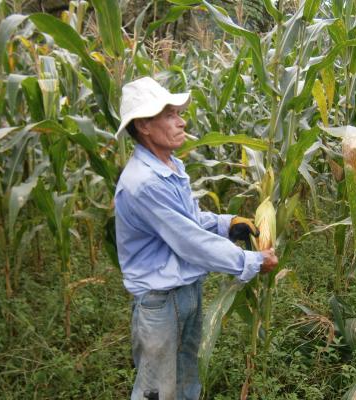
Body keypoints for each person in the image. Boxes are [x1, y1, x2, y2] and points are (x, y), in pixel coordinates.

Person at [113, 76, 278, 400]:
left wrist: (226, 223)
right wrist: (252, 261)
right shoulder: (144, 183)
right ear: (145, 125)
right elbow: (189, 241)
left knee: (188, 382)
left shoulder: (169, 166)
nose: (182, 120)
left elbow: (188, 221)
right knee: (157, 392)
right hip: (161, 302)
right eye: (170, 114)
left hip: (187, 291)